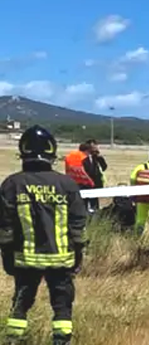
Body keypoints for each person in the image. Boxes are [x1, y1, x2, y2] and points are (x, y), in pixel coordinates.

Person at [0, 125, 87, 345]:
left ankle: (13, 339)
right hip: (61, 259)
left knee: (20, 302)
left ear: (23, 151)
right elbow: (78, 224)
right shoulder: (67, 184)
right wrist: (79, 253)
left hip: (24, 260)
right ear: (51, 152)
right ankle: (61, 340)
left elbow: (5, 227)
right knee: (62, 304)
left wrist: (7, 256)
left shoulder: (12, 184)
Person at [130, 148, 149, 237]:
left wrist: (135, 190)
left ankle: (137, 237)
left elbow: (132, 178)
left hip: (141, 198)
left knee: (140, 219)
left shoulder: (141, 167)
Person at [64, 143, 94, 212]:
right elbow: (84, 172)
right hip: (83, 183)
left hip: (70, 181)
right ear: (87, 151)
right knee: (85, 203)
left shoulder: (70, 155)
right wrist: (91, 182)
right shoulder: (84, 158)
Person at [83, 139, 107, 214]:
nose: (95, 148)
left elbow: (104, 167)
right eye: (93, 146)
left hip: (95, 183)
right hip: (85, 183)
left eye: (95, 146)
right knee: (85, 203)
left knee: (94, 204)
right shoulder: (83, 157)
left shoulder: (97, 157)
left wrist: (99, 158)